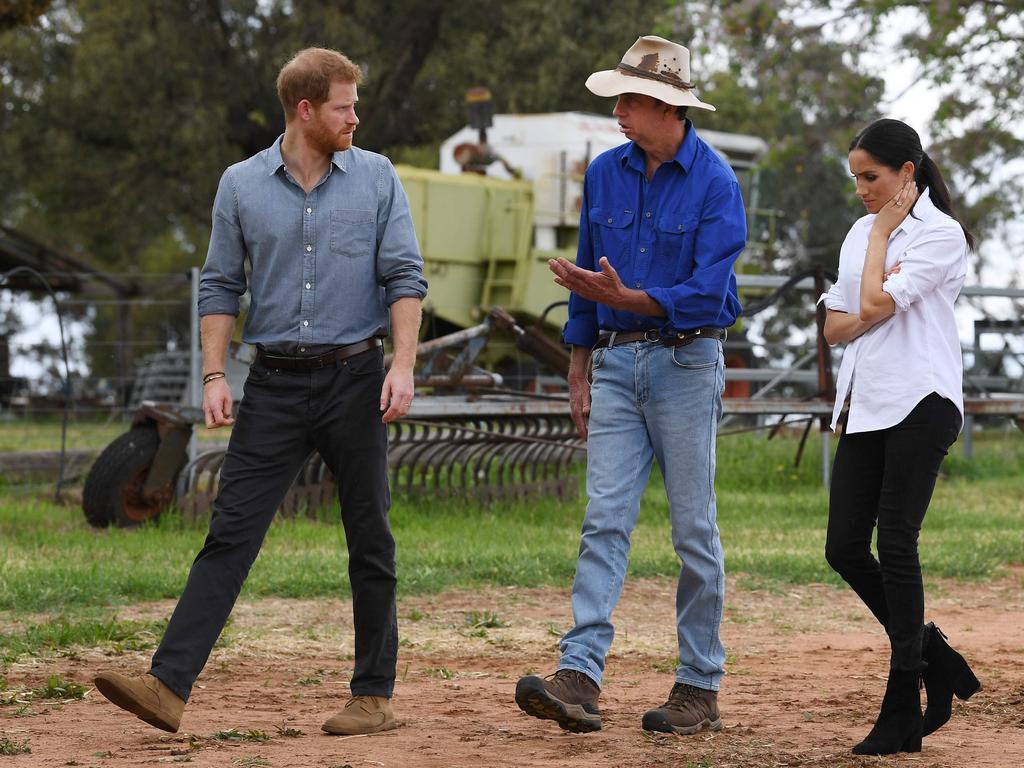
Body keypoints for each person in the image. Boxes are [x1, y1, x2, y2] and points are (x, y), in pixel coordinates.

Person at [93, 47, 427, 737]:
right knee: (230, 535)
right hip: (272, 384)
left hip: (356, 380)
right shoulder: (241, 185)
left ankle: (373, 697)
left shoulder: (377, 178)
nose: (355, 118)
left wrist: (402, 365)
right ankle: (167, 688)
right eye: (344, 106)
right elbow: (219, 286)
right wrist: (215, 376)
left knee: (370, 537)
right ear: (306, 111)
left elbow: (404, 276)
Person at [514, 35, 746, 735]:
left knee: (693, 529)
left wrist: (634, 297)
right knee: (604, 520)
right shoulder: (606, 174)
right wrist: (577, 366)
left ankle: (698, 685)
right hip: (614, 365)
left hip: (684, 362)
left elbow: (710, 295)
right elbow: (588, 275)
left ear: (666, 106)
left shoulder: (716, 182)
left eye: (629, 100)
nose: (617, 110)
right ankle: (579, 675)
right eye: (618, 99)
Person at [820, 118, 981, 755]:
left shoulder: (941, 236)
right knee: (843, 547)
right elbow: (836, 327)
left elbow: (873, 308)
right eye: (855, 177)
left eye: (872, 176)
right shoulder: (861, 231)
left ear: (907, 174)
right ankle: (936, 659)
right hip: (866, 406)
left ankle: (901, 702)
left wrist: (884, 240)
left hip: (922, 401)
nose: (861, 189)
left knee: (898, 541)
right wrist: (870, 278)